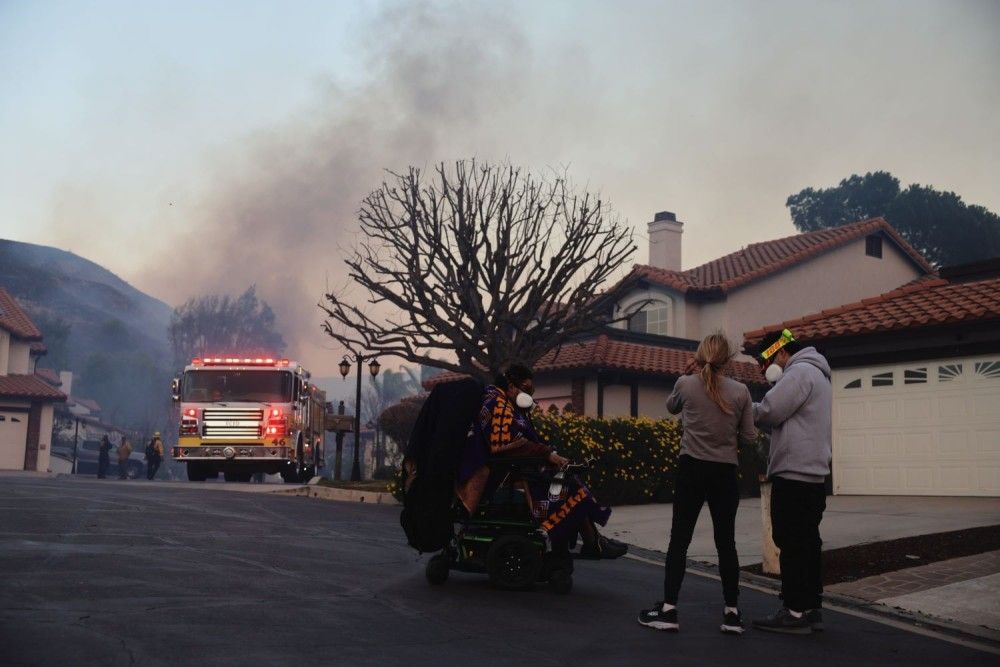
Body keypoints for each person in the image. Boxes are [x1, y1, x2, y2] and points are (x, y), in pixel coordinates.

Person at [638, 333, 756, 634]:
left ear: (700, 356)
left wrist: (688, 372)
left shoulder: (686, 384)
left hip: (691, 468)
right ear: (728, 359)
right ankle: (731, 613)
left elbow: (671, 407)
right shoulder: (741, 391)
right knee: (725, 542)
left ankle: (668, 610)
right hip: (724, 472)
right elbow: (749, 438)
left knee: (680, 539)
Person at [458, 364, 626, 559]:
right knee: (566, 485)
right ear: (512, 386)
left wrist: (547, 453)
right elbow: (503, 445)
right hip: (504, 475)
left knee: (567, 480)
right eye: (526, 389)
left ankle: (594, 540)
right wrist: (546, 454)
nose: (529, 394)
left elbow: (521, 441)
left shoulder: (503, 402)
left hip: (513, 469)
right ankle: (592, 542)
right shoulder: (498, 404)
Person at [751, 329, 832, 635]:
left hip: (793, 474)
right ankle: (811, 609)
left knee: (791, 541)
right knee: (808, 542)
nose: (766, 368)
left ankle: (793, 612)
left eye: (768, 360)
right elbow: (790, 423)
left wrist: (742, 407)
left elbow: (770, 411)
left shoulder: (798, 373)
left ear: (782, 353)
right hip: (813, 475)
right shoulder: (819, 374)